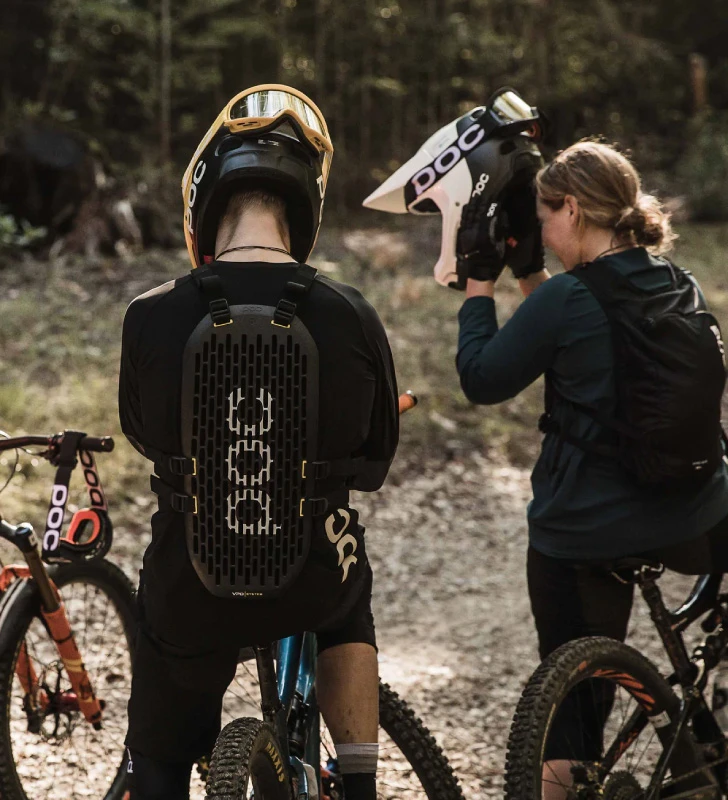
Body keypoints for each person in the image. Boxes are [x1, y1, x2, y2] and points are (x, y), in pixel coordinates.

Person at [118, 85, 398, 800]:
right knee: (350, 602)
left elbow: (144, 435)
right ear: (305, 207)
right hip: (311, 580)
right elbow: (373, 465)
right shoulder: (349, 313)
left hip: (191, 583)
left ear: (207, 202)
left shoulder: (150, 315)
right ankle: (360, 783)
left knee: (158, 743)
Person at [455, 140, 728, 796]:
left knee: (570, 722)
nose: (543, 234)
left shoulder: (566, 299)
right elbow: (577, 329)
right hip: (696, 518)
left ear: (572, 210)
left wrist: (479, 281)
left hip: (589, 532)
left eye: (545, 218)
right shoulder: (677, 282)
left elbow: (482, 378)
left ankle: (568, 773)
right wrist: (531, 274)